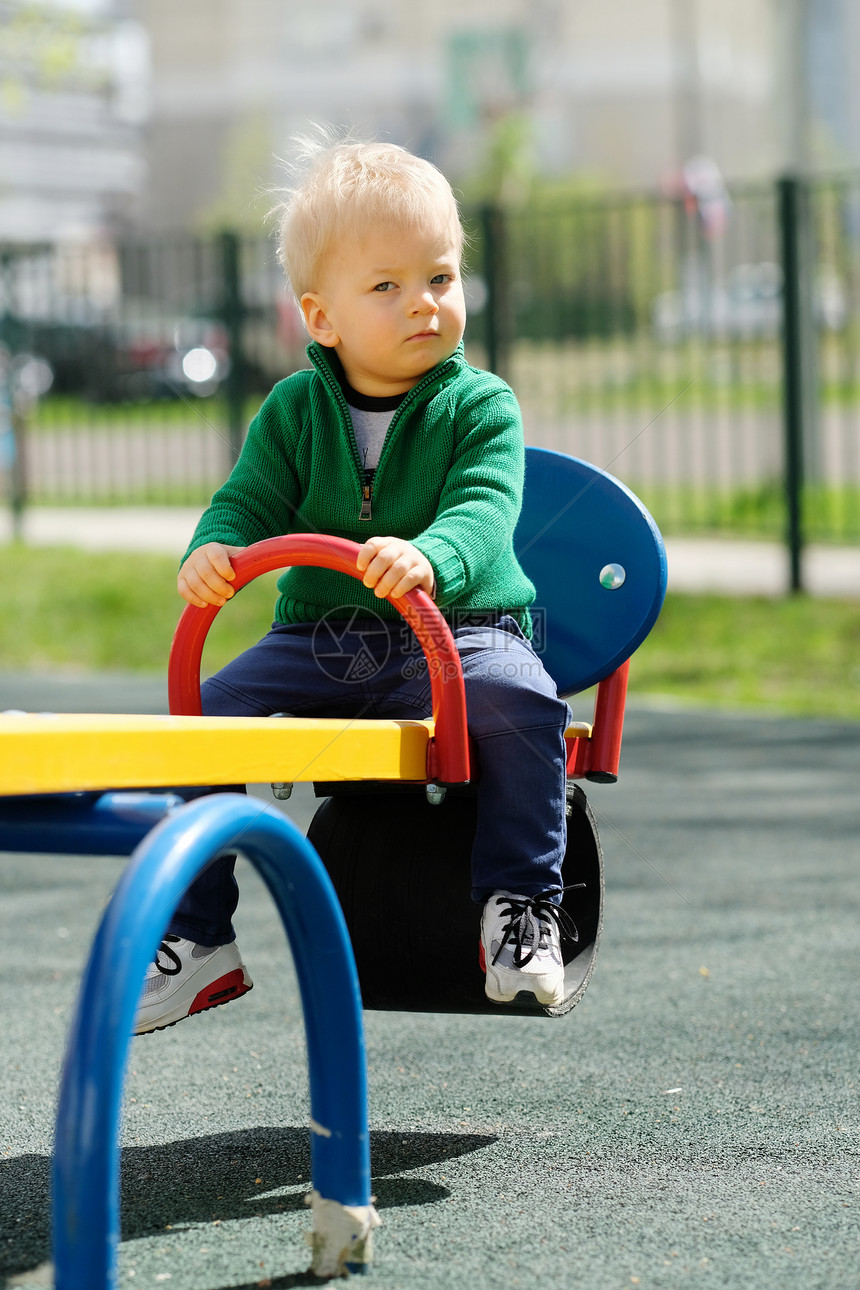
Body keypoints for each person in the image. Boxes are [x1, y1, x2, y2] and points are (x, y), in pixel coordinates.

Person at [135, 133, 576, 1035]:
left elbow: (486, 509)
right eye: (387, 286)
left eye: (441, 278)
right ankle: (199, 936)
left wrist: (434, 556)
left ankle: (521, 911)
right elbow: (245, 500)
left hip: (462, 628)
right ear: (321, 317)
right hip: (319, 640)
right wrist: (214, 549)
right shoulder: (295, 411)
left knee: (524, 701)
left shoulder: (480, 405)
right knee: (200, 721)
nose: (424, 303)